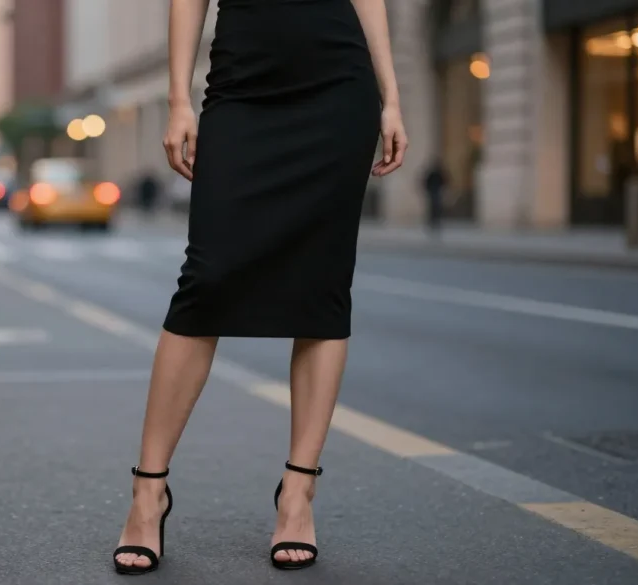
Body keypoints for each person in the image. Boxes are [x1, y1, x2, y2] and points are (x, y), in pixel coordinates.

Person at [112, 0, 407, 575]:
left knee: (321, 287)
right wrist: (178, 100)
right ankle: (148, 493)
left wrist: (391, 97)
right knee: (206, 281)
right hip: (241, 87)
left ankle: (298, 494)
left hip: (339, 88)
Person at [423, 158, 447, 233]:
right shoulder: (434, 173)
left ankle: (435, 222)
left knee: (436, 208)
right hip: (433, 192)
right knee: (433, 208)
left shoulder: (438, 173)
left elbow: (444, 181)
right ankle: (433, 222)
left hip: (436, 192)